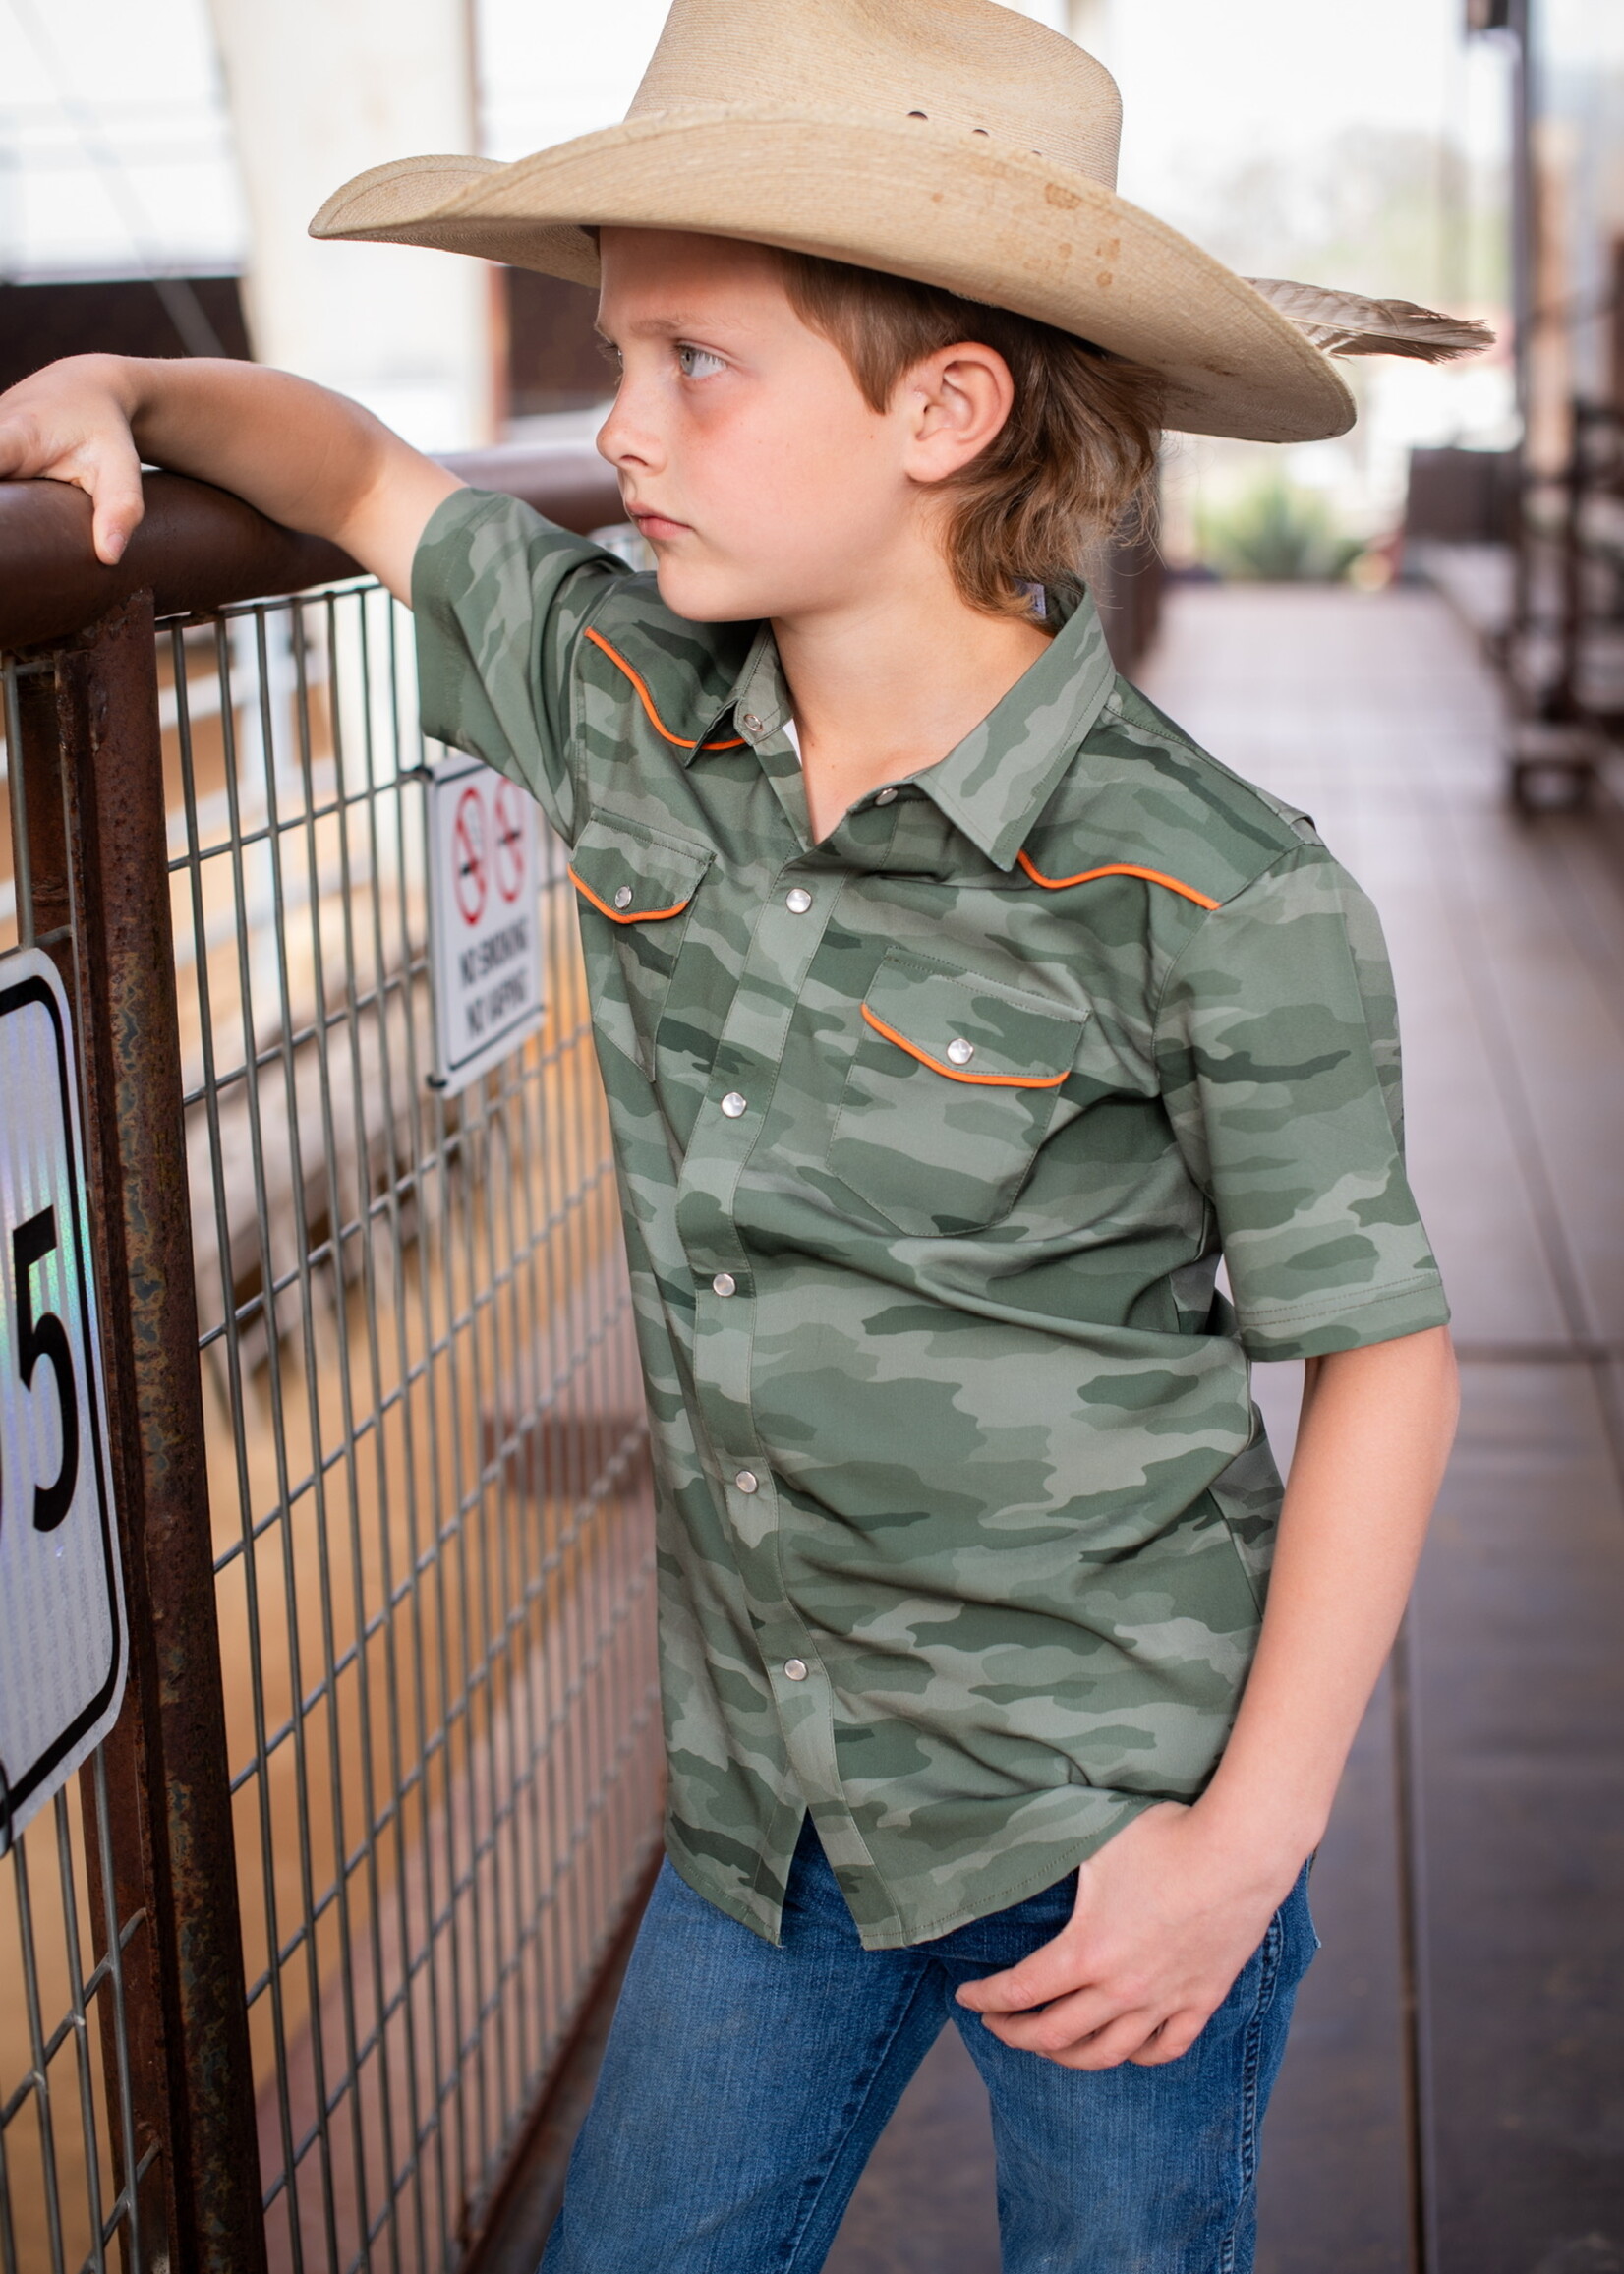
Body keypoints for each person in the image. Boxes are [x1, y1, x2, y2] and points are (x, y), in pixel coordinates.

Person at [0, 3, 1474, 2265]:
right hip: (765, 1802)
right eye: (619, 355)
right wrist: (130, 398)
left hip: (1111, 1801)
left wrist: (1244, 1844)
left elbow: (1383, 1354)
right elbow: (359, 470)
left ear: (944, 412)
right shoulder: (624, 711)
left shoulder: (1218, 892)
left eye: (698, 363)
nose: (612, 430)